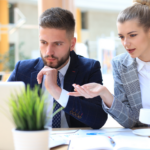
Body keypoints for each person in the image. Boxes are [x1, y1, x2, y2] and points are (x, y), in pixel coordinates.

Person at [8, 7, 107, 129]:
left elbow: (98, 120)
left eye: (58, 44)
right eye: (44, 42)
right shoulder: (22, 70)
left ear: (72, 44)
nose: (49, 52)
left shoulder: (89, 68)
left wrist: (57, 91)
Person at [68, 0, 150, 128]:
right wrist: (105, 93)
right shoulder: (120, 65)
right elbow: (130, 121)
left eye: (132, 35)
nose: (125, 43)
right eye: (121, 37)